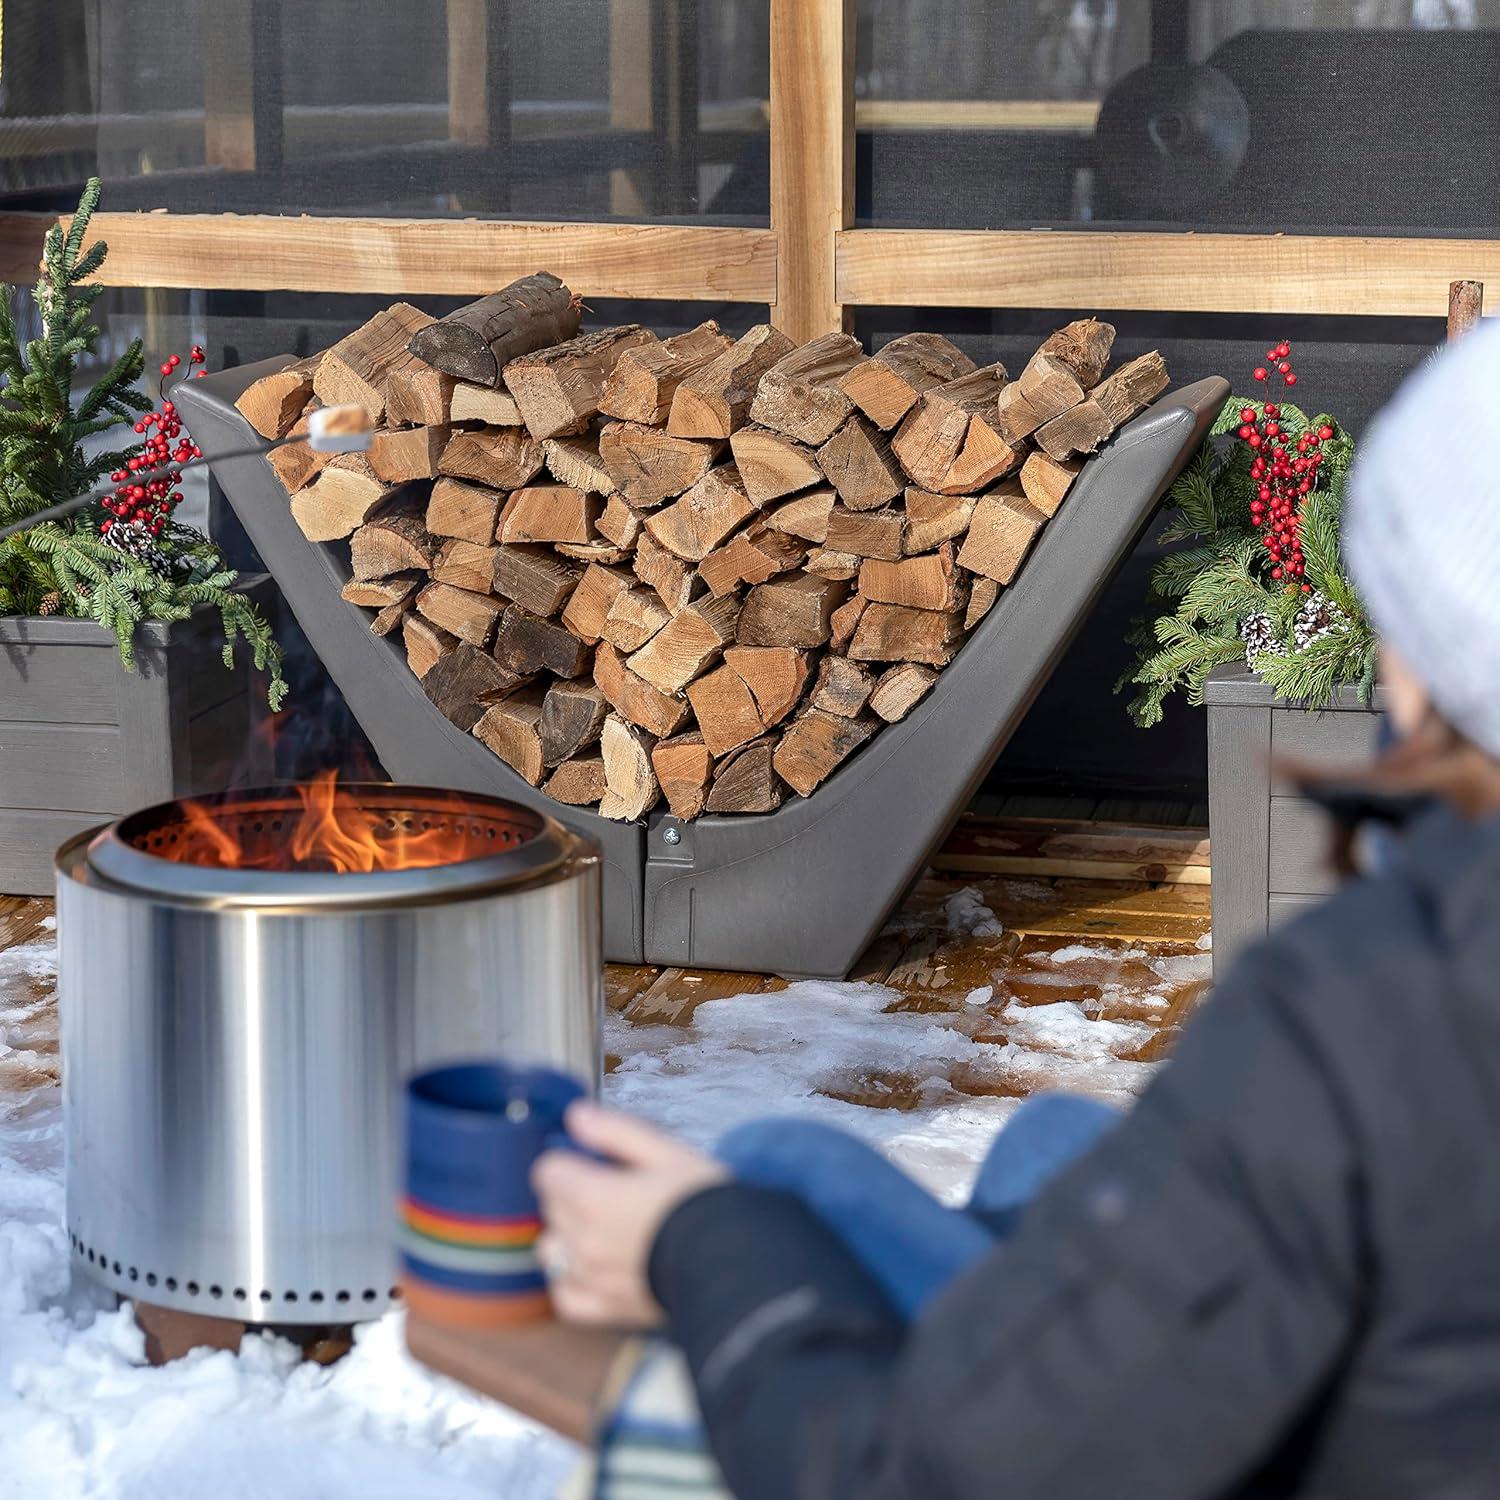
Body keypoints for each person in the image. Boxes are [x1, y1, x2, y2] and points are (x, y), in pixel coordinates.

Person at [534, 323, 1500, 1500]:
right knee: (1049, 1144)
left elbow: (926, 1477)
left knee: (781, 1168)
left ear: (1421, 658)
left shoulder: (1373, 1019)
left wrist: (698, 1247)